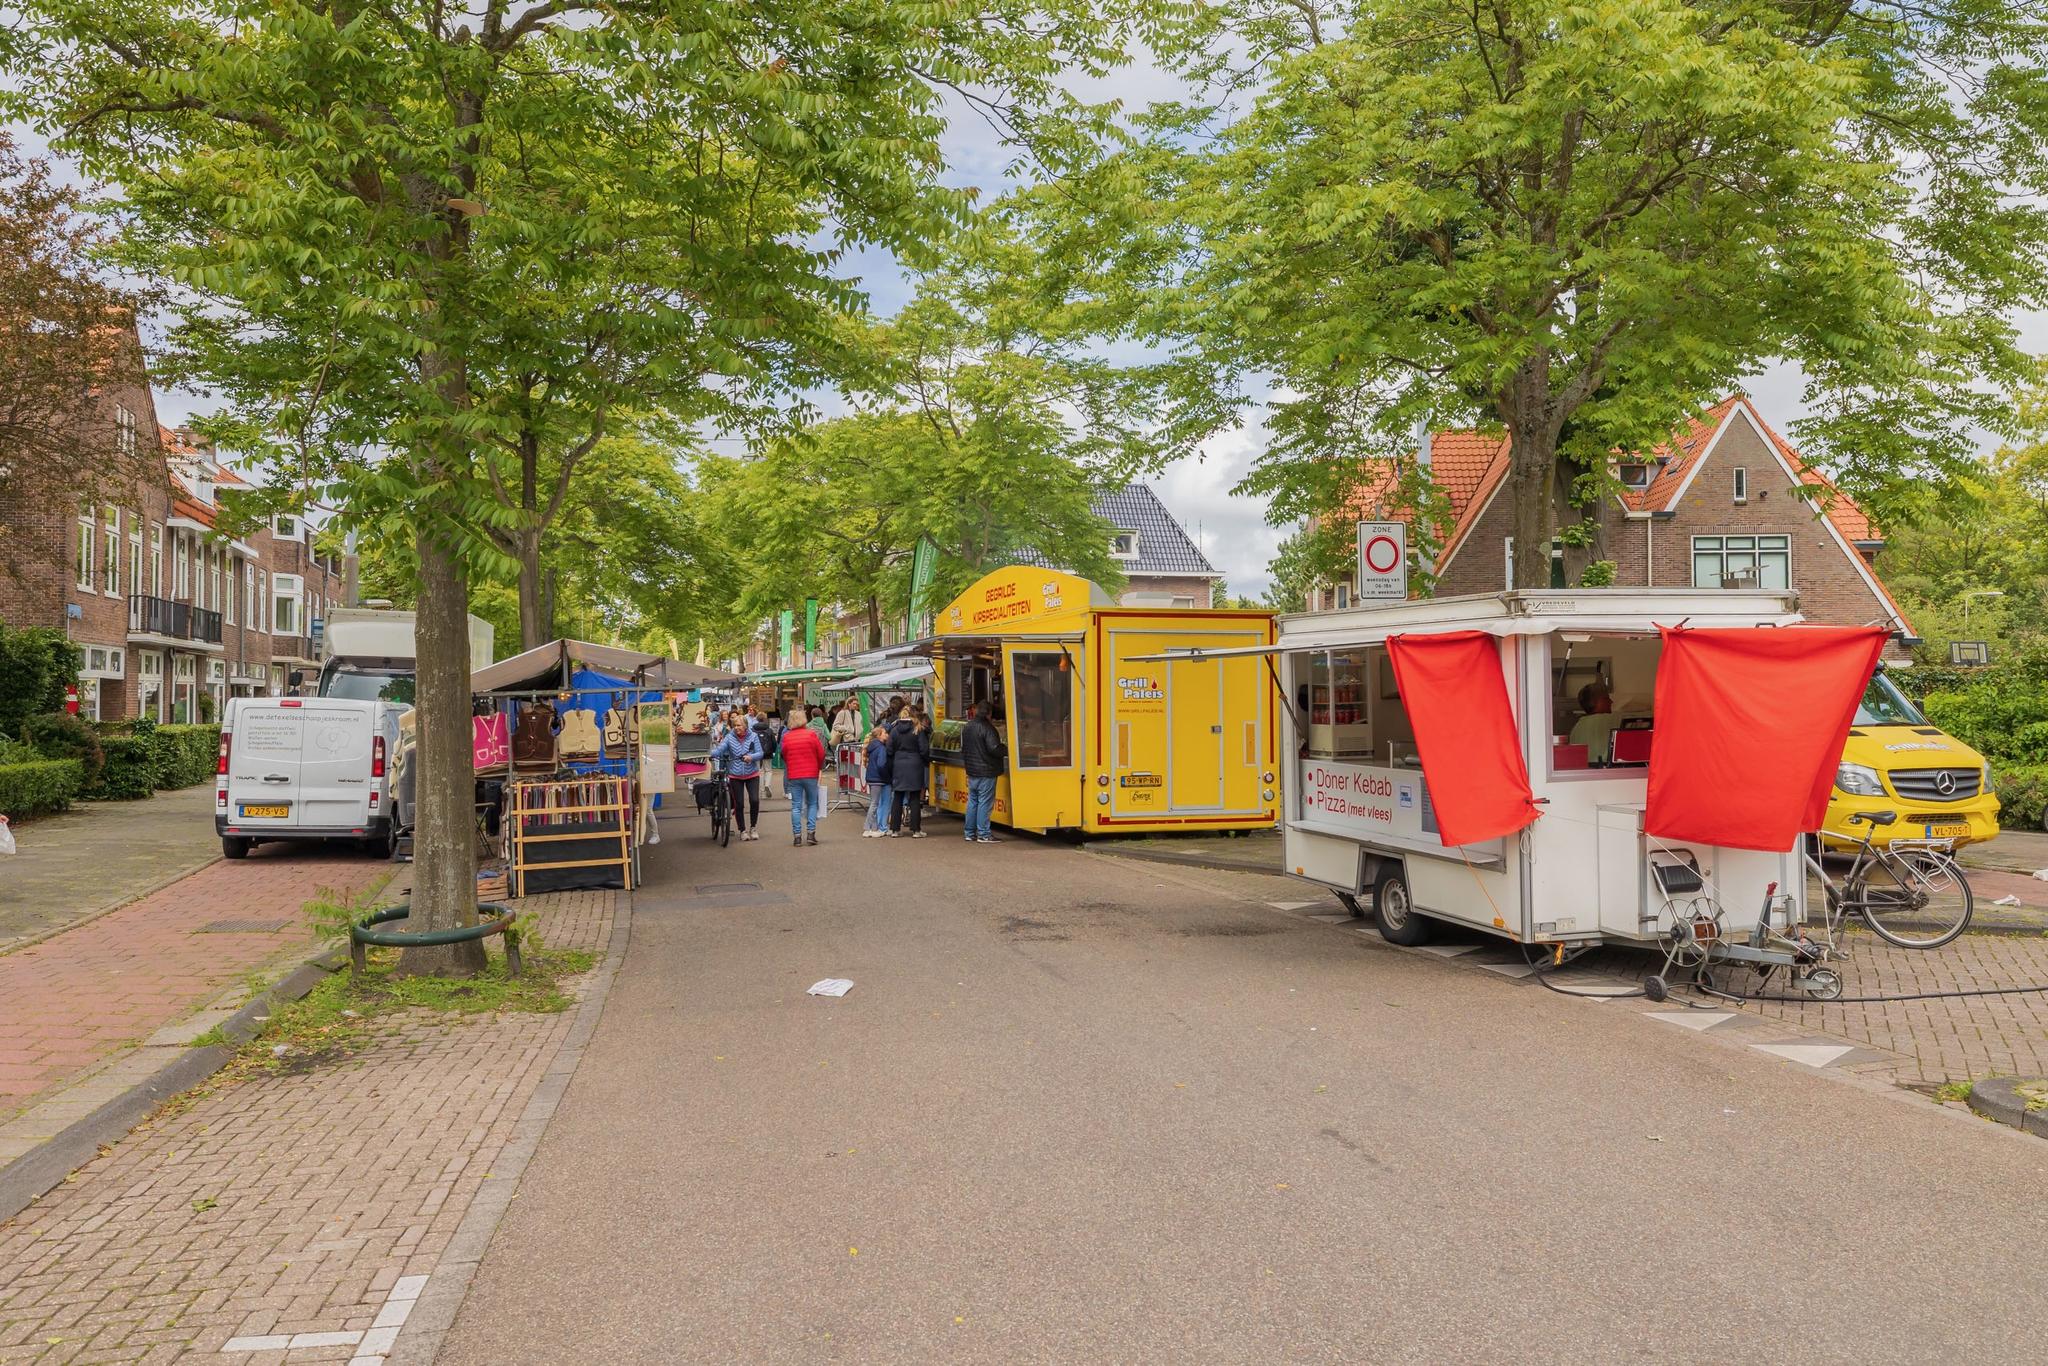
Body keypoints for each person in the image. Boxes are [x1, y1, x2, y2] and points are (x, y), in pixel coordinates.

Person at [710, 708, 763, 841]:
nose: (736, 728)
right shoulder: (729, 737)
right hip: (735, 775)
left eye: (739, 725)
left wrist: (751, 757)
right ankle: (743, 830)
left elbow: (760, 753)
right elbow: (720, 749)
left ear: (745, 726)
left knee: (754, 800)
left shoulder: (753, 736)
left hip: (752, 773)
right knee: (739, 804)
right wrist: (710, 754)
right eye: (734, 725)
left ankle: (753, 827)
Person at [960, 701, 1006, 844]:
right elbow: (994, 748)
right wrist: (1005, 749)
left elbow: (963, 748)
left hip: (972, 770)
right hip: (986, 770)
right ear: (989, 713)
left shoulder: (967, 726)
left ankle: (969, 832)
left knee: (973, 801)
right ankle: (984, 834)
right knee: (985, 803)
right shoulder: (988, 728)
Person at [781, 706, 826, 846]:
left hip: (794, 775)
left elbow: (784, 755)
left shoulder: (787, 737)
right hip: (811, 774)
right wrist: (818, 766)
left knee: (796, 806)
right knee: (812, 803)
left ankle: (797, 836)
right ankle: (811, 834)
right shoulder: (811, 734)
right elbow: (821, 753)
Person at [885, 705, 930, 837]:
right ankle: (916, 830)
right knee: (915, 797)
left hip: (899, 764)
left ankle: (894, 829)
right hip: (915, 764)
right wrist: (925, 761)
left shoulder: (894, 730)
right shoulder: (918, 729)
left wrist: (894, 759)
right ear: (913, 715)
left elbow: (889, 749)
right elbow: (924, 749)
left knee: (898, 796)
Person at [1569, 682, 1621, 764]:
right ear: (1598, 701)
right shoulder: (1613, 719)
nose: (1611, 702)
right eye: (1607, 698)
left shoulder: (1576, 728)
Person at [861, 724, 894, 837]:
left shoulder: (872, 746)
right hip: (880, 778)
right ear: (880, 735)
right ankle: (869, 827)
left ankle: (876, 827)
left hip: (872, 778)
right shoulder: (881, 748)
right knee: (878, 803)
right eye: (885, 733)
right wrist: (887, 777)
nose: (887, 735)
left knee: (875, 803)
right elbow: (881, 764)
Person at [752, 708, 779, 798]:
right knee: (768, 770)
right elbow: (774, 743)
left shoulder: (753, 730)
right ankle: (767, 784)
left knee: (760, 772)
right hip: (768, 753)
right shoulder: (769, 730)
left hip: (757, 753)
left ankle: (762, 792)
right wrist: (774, 751)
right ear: (765, 719)